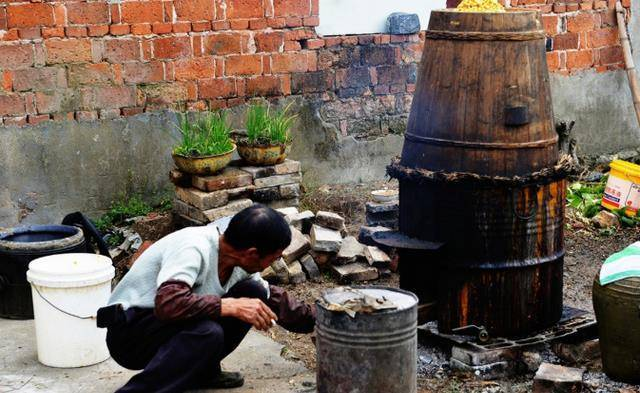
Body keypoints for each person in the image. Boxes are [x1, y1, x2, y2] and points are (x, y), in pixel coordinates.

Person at [97, 204, 316, 392]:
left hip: (163, 324)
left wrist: (321, 321)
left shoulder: (241, 263)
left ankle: (202, 372)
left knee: (254, 294)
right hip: (130, 334)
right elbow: (168, 303)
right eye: (275, 257)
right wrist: (226, 305)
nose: (275, 262)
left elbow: (273, 298)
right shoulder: (194, 247)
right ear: (251, 253)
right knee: (207, 333)